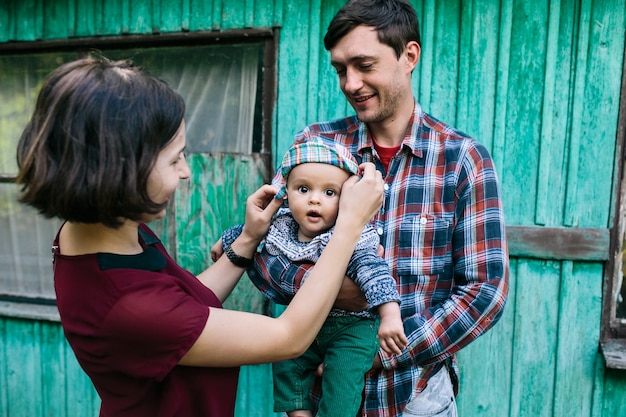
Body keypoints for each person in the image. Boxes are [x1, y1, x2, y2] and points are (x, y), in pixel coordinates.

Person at [14, 55, 385, 417]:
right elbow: (289, 337)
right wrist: (350, 225)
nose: (186, 171)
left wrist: (247, 241)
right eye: (175, 159)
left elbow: (185, 304)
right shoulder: (127, 308)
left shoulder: (105, 229)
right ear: (121, 169)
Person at [246, 1, 510, 416]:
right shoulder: (315, 147)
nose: (351, 83)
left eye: (364, 65)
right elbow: (263, 252)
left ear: (409, 56)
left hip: (416, 397)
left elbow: (484, 292)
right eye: (340, 69)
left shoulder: (463, 159)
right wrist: (329, 286)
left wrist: (382, 351)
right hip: (317, 399)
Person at [214, 138, 408, 417]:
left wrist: (390, 316)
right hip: (304, 323)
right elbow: (251, 232)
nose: (315, 199)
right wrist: (227, 242)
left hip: (350, 329)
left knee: (343, 379)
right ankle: (298, 413)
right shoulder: (281, 227)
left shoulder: (355, 237)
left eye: (330, 193)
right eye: (303, 189)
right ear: (286, 193)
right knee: (283, 359)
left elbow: (376, 275)